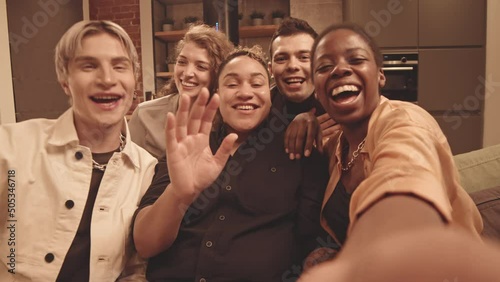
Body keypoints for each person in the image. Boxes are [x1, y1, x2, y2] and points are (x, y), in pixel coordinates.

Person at [297, 23, 490, 280]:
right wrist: (302, 119)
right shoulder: (336, 146)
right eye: (324, 67)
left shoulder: (405, 121)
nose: (340, 69)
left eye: (356, 59)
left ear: (380, 75)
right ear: (318, 93)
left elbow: (404, 176)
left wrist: (383, 253)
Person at [132, 46, 329, 281]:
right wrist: (179, 194)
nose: (245, 93)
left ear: (270, 93)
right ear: (216, 91)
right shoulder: (189, 145)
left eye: (256, 84)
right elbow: (145, 245)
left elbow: (310, 242)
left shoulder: (296, 149)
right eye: (232, 84)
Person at [0, 20, 157, 281]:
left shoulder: (147, 169)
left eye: (119, 66)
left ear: (134, 80)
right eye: (89, 65)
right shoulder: (12, 148)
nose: (107, 79)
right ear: (65, 80)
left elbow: (136, 269)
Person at [128, 24, 234, 158]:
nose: (188, 73)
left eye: (201, 67)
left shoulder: (228, 119)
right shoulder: (144, 115)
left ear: (218, 74)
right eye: (182, 62)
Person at [268, 17, 339, 159]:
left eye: (304, 57)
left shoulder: (342, 104)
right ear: (270, 69)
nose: (292, 66)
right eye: (282, 58)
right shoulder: (259, 110)